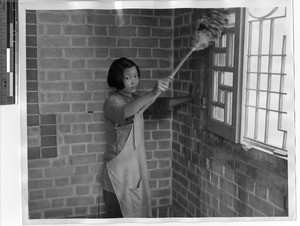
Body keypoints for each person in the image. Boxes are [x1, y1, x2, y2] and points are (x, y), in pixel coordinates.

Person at [99, 57, 198, 218]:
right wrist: (153, 92)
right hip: (116, 175)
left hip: (134, 171)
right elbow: (124, 112)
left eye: (136, 76)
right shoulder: (112, 102)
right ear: (118, 79)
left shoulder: (135, 98)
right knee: (117, 220)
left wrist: (189, 98)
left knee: (137, 216)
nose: (134, 81)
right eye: (128, 77)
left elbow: (158, 105)